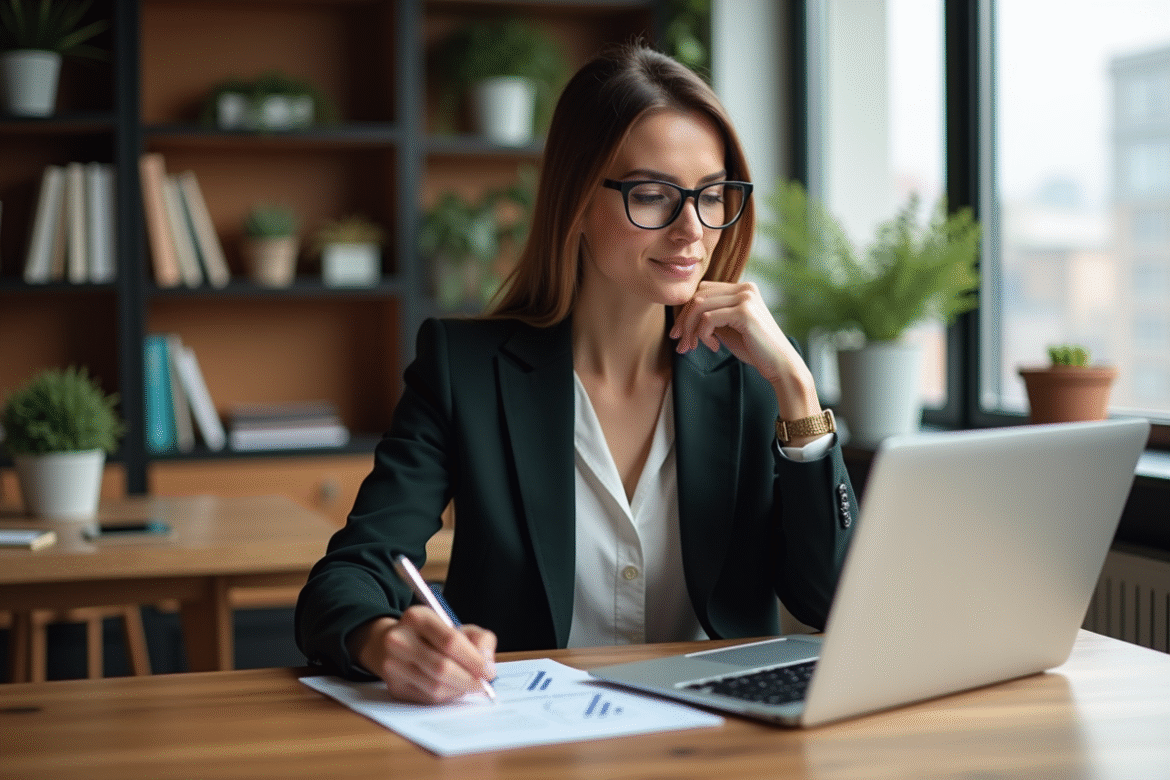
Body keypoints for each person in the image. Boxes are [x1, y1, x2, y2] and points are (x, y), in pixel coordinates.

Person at [295, 42, 858, 705]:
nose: (692, 231)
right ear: (577, 202)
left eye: (711, 196)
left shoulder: (752, 377)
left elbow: (831, 601)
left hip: (720, 740)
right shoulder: (466, 370)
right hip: (528, 732)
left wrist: (796, 390)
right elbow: (351, 572)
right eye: (653, 196)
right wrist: (385, 641)